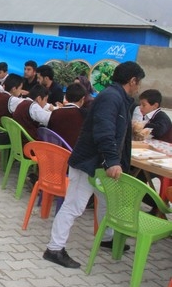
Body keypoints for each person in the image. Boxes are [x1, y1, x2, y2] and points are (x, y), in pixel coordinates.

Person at [44, 61, 145, 268]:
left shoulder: (118, 98)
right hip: (88, 162)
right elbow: (104, 131)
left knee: (106, 199)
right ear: (132, 80)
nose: (139, 87)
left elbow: (116, 132)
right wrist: (113, 161)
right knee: (74, 205)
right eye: (139, 82)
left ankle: (106, 238)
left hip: (98, 163)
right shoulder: (111, 98)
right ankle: (54, 248)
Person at [47, 83, 86, 148]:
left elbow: (49, 132)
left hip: (56, 151)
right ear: (82, 99)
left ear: (65, 97)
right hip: (74, 154)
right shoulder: (83, 114)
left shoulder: (55, 113)